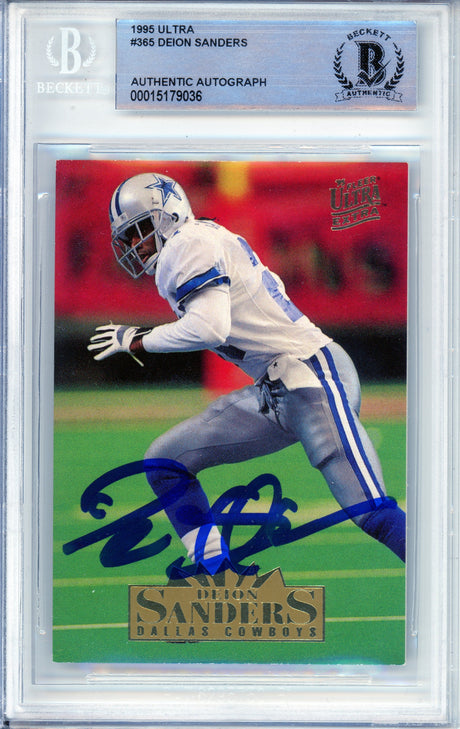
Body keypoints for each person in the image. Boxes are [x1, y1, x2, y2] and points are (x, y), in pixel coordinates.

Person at [88, 172, 406, 576]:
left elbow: (209, 328)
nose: (136, 244)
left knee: (371, 511)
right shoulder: (200, 241)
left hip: (311, 377)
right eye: (128, 237)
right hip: (277, 388)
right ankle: (216, 575)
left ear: (167, 216)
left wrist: (138, 339)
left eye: (140, 230)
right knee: (165, 462)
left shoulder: (188, 243)